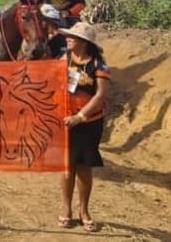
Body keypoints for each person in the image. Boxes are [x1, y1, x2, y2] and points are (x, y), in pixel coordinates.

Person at [56, 22, 110, 233]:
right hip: (65, 121)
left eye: (73, 37)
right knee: (67, 167)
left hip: (89, 123)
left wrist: (80, 116)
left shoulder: (98, 66)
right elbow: (51, 82)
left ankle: (84, 211)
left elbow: (100, 96)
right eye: (68, 36)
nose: (68, 39)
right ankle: (66, 209)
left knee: (83, 168)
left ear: (85, 42)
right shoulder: (64, 60)